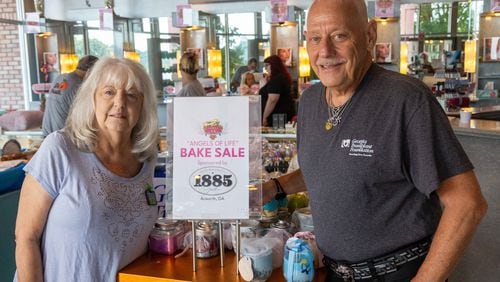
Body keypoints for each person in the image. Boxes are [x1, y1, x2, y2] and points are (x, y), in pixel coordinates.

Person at [262, 0, 487, 281]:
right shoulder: (309, 101)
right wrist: (273, 188)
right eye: (315, 38)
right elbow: (327, 168)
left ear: (369, 35)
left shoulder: (405, 100)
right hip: (334, 272)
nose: (325, 51)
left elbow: (467, 203)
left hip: (398, 273)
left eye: (339, 36)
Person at [14, 57, 159, 281]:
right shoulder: (60, 148)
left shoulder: (146, 158)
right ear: (92, 98)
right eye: (109, 92)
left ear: (142, 104)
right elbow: (26, 237)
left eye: (131, 95)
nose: (120, 103)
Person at [41, 55, 99, 137]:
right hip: (61, 139)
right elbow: (86, 120)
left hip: (47, 135)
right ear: (90, 71)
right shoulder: (79, 87)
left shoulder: (60, 77)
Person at [259, 55, 295, 127]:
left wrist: (264, 117)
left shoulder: (277, 80)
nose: (265, 68)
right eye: (264, 66)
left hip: (277, 118)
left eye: (267, 65)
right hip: (279, 117)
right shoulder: (279, 78)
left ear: (274, 65)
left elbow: (272, 99)